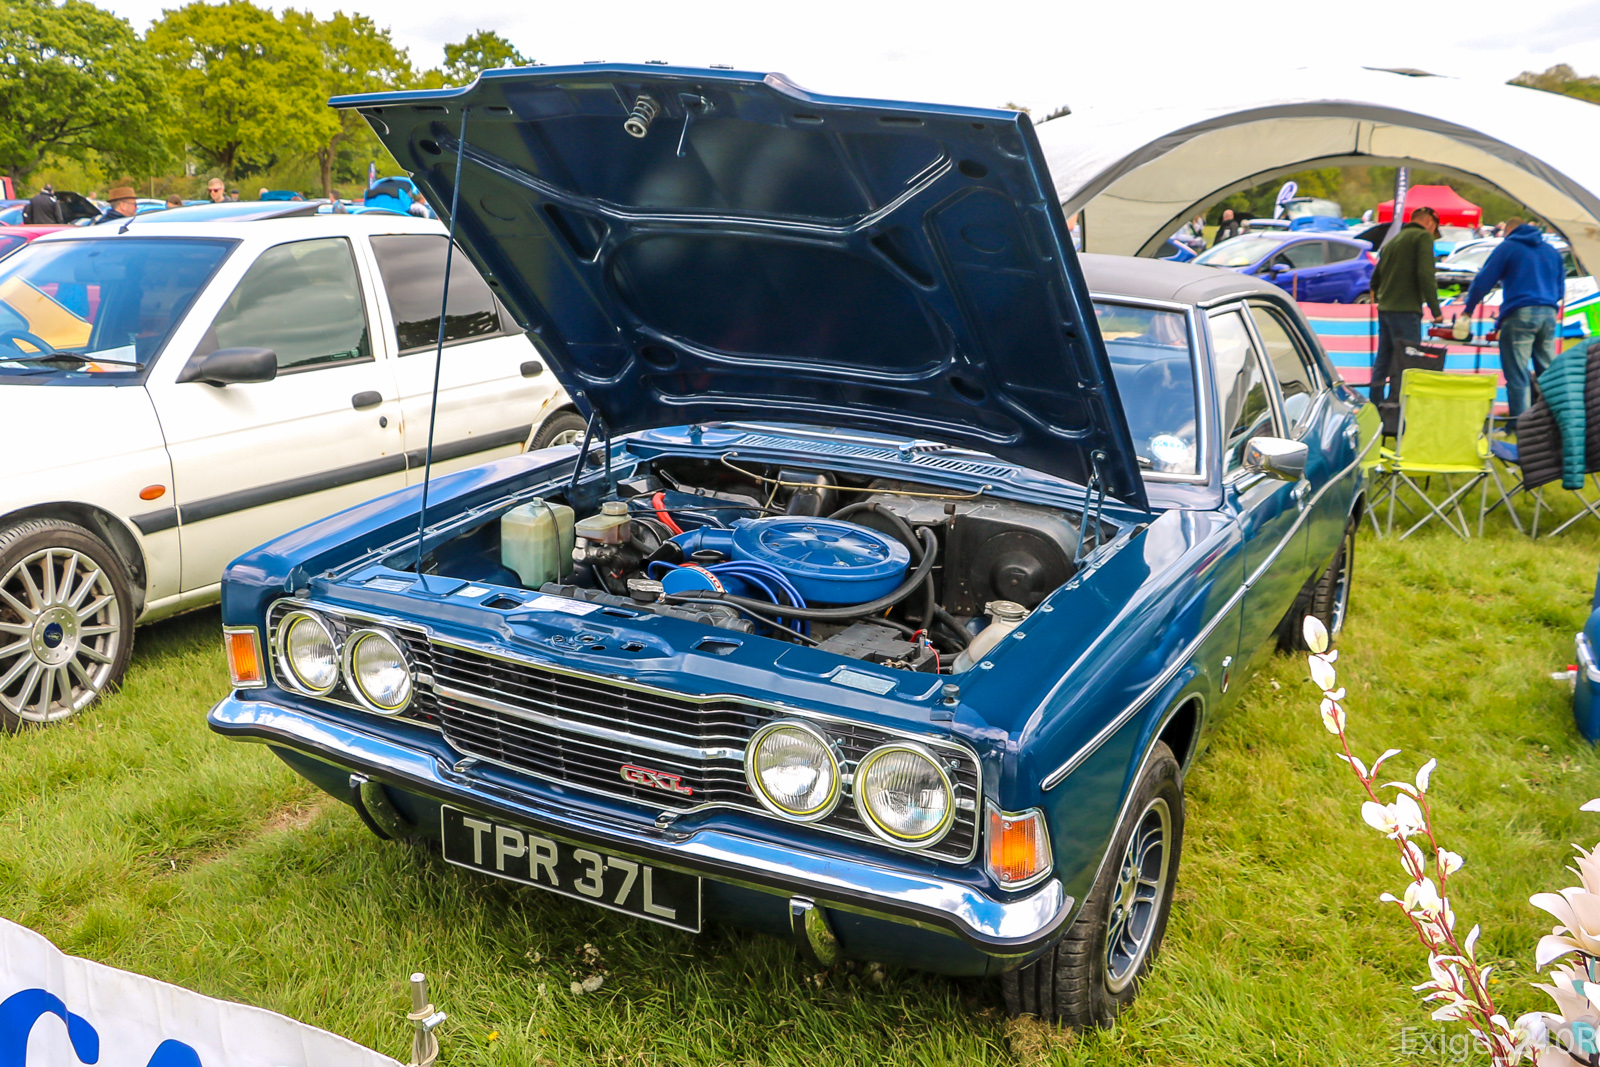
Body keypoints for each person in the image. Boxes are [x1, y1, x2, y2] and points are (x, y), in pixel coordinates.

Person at [1462, 216, 1566, 430]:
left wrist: (1468, 310)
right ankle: (1553, 426)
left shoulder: (1508, 247)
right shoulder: (1551, 251)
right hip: (1548, 313)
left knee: (1518, 375)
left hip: (1520, 313)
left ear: (1508, 231)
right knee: (1548, 374)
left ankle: (1521, 428)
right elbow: (1559, 290)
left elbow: (1483, 280)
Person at [1368, 205, 1442, 404]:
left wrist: (1383, 297)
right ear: (1429, 222)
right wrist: (1436, 311)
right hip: (1407, 310)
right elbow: (1426, 274)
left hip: (1386, 310)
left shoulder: (1391, 242)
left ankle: (1375, 406)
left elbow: (1375, 281)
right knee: (1407, 362)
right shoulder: (1422, 238)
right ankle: (1397, 409)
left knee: (1383, 361)